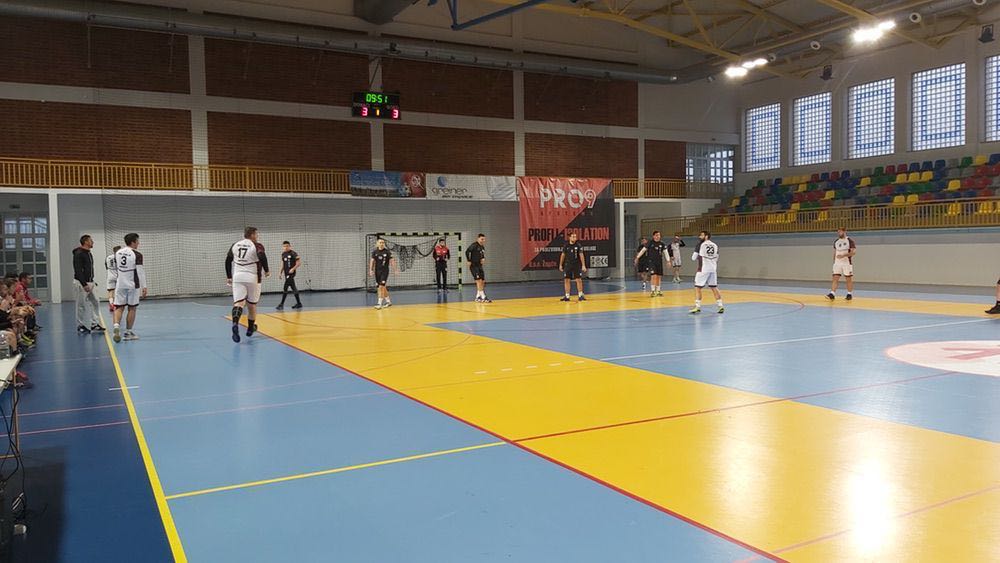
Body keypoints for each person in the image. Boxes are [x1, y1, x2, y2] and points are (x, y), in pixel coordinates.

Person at [226, 227, 269, 343]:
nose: (257, 236)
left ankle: (235, 324)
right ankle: (250, 329)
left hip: (237, 277)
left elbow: (228, 260)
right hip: (252, 277)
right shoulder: (257, 246)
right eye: (256, 234)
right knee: (252, 305)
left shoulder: (235, 245)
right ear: (252, 235)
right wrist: (267, 270)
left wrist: (229, 276)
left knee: (238, 303)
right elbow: (262, 256)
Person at [112, 233, 147, 343]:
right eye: (137, 241)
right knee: (132, 308)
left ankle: (116, 326)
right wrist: (144, 286)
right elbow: (140, 272)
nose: (138, 243)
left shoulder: (118, 253)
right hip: (132, 284)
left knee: (119, 307)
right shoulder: (137, 255)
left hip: (120, 284)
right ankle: (128, 332)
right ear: (133, 242)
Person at [72, 234, 104, 333]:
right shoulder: (78, 253)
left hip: (91, 282)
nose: (92, 242)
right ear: (85, 242)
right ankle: (80, 325)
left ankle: (94, 324)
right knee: (81, 304)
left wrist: (92, 281)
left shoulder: (88, 253)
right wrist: (84, 284)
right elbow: (78, 270)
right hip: (81, 283)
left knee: (96, 302)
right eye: (91, 240)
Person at [690, 231, 724, 314]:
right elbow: (717, 258)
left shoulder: (700, 245)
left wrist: (700, 257)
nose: (699, 237)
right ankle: (720, 306)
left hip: (703, 269)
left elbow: (693, 258)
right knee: (714, 287)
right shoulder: (715, 245)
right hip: (713, 268)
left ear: (706, 236)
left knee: (697, 287)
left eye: (701, 235)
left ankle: (697, 306)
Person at [634, 230, 671, 297]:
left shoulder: (662, 244)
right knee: (653, 276)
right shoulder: (650, 243)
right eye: (656, 235)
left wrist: (668, 261)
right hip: (651, 262)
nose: (658, 236)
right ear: (653, 236)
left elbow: (666, 253)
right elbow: (643, 250)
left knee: (659, 276)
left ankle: (658, 291)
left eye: (659, 235)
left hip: (659, 262)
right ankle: (653, 291)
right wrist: (637, 257)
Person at [827, 227, 856, 301]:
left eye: (840, 232)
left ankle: (849, 294)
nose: (839, 233)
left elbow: (853, 252)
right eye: (838, 232)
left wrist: (844, 255)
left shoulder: (850, 241)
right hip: (837, 263)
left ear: (844, 231)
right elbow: (835, 252)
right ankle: (832, 294)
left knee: (848, 279)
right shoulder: (836, 241)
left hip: (846, 263)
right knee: (835, 278)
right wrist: (834, 262)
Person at [369, 238, 398, 310]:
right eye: (380, 242)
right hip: (377, 272)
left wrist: (395, 270)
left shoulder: (387, 252)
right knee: (383, 287)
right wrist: (371, 270)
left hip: (384, 271)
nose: (382, 244)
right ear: (377, 244)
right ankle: (388, 302)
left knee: (381, 287)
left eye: (383, 242)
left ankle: (379, 303)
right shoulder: (375, 252)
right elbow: (372, 261)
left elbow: (392, 261)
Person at [559, 232, 588, 302]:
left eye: (575, 237)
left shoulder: (578, 245)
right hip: (568, 265)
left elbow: (581, 255)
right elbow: (563, 255)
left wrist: (583, 265)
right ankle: (567, 296)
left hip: (576, 265)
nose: (575, 238)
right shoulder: (566, 246)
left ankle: (580, 295)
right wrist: (560, 265)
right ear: (569, 237)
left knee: (578, 279)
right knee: (566, 279)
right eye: (573, 237)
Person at [276, 241, 302, 310]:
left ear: (290, 246)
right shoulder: (283, 254)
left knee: (285, 287)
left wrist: (293, 269)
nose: (285, 247)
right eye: (284, 246)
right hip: (286, 273)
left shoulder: (293, 253)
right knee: (293, 288)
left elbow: (299, 263)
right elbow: (283, 264)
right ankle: (299, 303)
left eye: (287, 246)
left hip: (291, 273)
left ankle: (281, 304)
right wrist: (280, 273)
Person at [466, 233, 491, 303]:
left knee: (482, 281)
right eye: (482, 239)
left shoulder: (482, 247)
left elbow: (482, 254)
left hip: (479, 265)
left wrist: (483, 258)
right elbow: (467, 251)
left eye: (484, 239)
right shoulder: (474, 245)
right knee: (478, 280)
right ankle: (483, 296)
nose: (483, 240)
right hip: (474, 265)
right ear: (478, 239)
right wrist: (468, 260)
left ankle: (477, 296)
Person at [106, 245, 121, 313]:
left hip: (110, 275)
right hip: (118, 275)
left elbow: (106, 266)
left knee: (111, 291)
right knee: (118, 291)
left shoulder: (108, 257)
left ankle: (111, 303)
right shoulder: (119, 257)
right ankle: (118, 304)